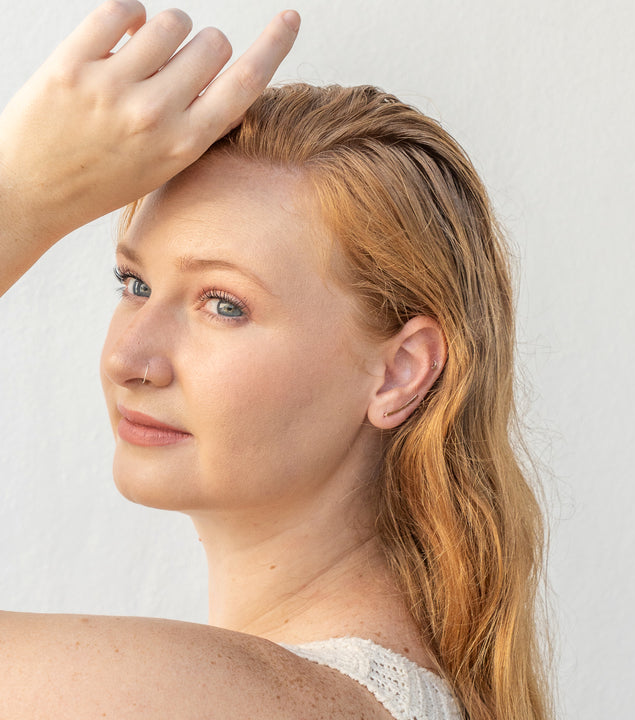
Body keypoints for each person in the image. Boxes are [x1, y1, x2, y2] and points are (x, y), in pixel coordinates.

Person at [0, 2, 551, 718]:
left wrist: (20, 199)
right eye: (134, 285)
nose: (128, 358)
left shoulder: (246, 699)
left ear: (400, 371)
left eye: (224, 304)